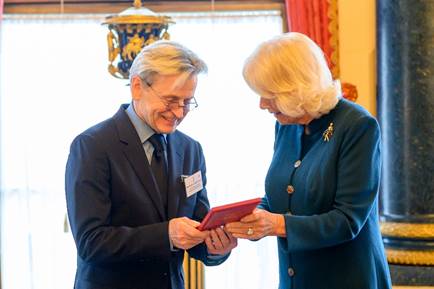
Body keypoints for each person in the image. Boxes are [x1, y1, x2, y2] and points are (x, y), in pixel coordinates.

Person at [226, 32, 392, 289]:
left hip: (346, 278)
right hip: (295, 279)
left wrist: (277, 224)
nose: (261, 105)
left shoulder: (358, 126)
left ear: (295, 88)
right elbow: (281, 194)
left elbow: (348, 220)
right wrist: (254, 217)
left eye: (268, 94)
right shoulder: (286, 124)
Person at [65, 40, 237, 289]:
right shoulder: (92, 146)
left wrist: (216, 247)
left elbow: (198, 228)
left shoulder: (191, 149)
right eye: (170, 100)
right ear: (137, 87)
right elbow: (91, 242)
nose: (179, 112)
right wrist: (166, 234)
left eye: (187, 102)